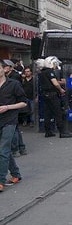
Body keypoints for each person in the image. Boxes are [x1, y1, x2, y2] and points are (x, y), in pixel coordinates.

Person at [0, 59, 28, 192]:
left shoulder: (14, 84)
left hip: (9, 120)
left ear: (4, 69)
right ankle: (16, 174)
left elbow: (24, 102)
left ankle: (0, 180)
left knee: (3, 150)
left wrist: (7, 107)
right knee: (4, 151)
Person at [39, 58, 72, 138]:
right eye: (55, 63)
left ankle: (48, 131)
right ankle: (62, 132)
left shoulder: (42, 72)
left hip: (45, 94)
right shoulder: (50, 71)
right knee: (58, 113)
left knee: (47, 113)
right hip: (52, 94)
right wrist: (61, 89)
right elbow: (55, 83)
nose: (56, 65)